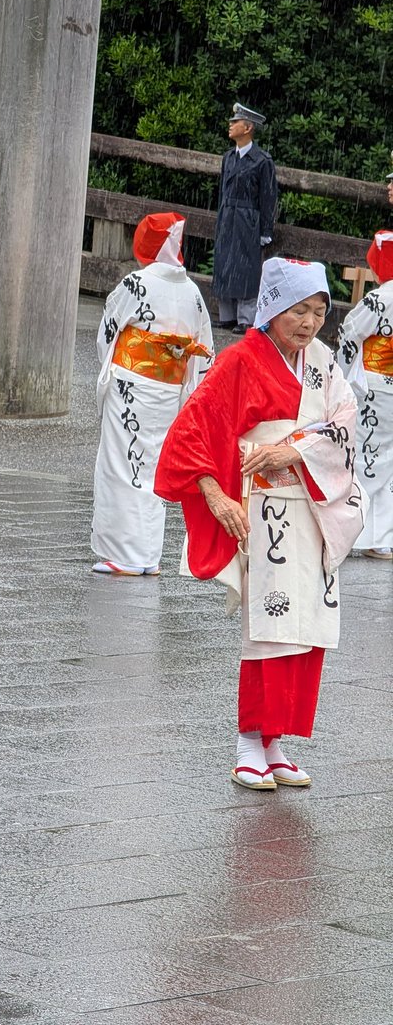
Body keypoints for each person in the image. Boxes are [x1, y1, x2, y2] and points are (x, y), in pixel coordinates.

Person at [155, 258, 364, 790]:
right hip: (265, 511)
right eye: (298, 310)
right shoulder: (241, 360)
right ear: (273, 308)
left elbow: (345, 424)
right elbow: (190, 431)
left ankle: (276, 743)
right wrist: (217, 495)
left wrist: (290, 449)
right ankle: (249, 742)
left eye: (319, 311)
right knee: (269, 630)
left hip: (313, 507)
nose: (310, 323)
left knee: (306, 630)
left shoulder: (320, 362)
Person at [91, 212, 213, 576]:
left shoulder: (135, 284)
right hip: (169, 388)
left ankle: (126, 554)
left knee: (120, 463)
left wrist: (113, 371)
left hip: (132, 382)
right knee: (153, 466)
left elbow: (107, 334)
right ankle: (148, 554)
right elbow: (204, 345)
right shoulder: (192, 291)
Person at [337, 227, 393, 558]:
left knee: (365, 456)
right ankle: (382, 537)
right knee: (388, 462)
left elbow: (350, 334)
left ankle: (354, 533)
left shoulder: (379, 299)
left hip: (374, 386)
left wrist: (338, 377)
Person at [212, 102, 278, 334]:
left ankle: (245, 318)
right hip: (228, 215)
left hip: (249, 217)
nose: (230, 126)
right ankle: (226, 315)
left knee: (246, 267)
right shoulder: (229, 157)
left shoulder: (262, 161)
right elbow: (222, 192)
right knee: (224, 262)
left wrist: (265, 231)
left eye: (235, 122)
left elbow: (268, 198)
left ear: (247, 127)